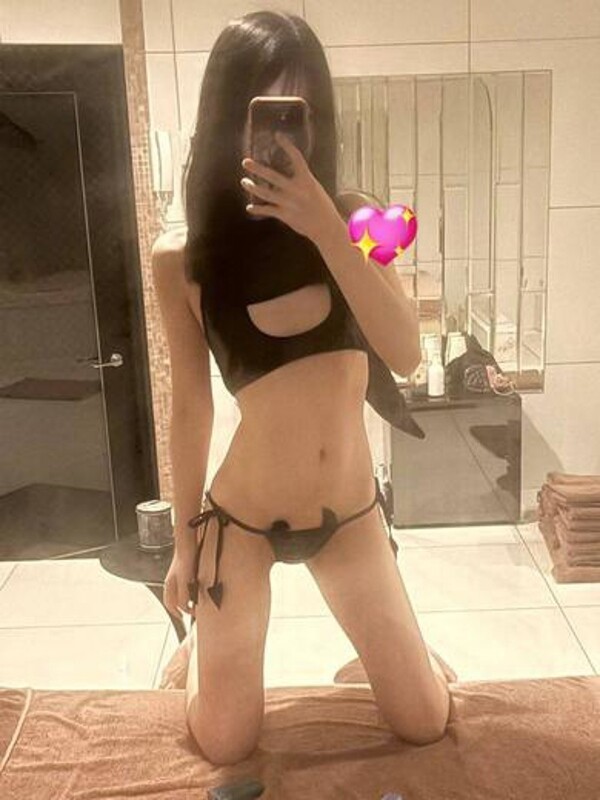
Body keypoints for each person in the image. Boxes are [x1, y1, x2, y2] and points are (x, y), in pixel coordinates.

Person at [152, 10, 452, 767]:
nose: (286, 138)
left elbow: (406, 354)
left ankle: (392, 656)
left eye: (302, 112)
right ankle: (198, 661)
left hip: (349, 515)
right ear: (229, 118)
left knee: (424, 720)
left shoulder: (356, 219)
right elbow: (190, 406)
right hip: (243, 520)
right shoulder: (183, 257)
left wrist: (327, 227)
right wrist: (185, 543)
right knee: (225, 741)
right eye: (266, 112)